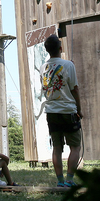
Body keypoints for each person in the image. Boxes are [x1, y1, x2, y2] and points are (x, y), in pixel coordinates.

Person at [40, 34, 83, 187]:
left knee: (57, 148)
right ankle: (69, 180)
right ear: (60, 47)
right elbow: (75, 89)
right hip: (68, 110)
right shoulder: (69, 65)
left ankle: (60, 181)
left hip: (51, 112)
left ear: (47, 50)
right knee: (75, 146)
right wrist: (79, 109)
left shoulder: (43, 68)